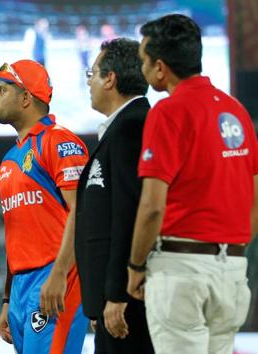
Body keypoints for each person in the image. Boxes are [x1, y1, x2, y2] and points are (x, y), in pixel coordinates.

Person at [127, 14, 258, 354]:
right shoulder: (237, 111)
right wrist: (231, 251)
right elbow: (254, 197)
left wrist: (136, 265)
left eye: (143, 60)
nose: (141, 68)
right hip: (233, 269)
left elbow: (153, 205)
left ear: (160, 67)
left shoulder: (168, 112)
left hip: (180, 269)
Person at [0, 59, 88, 354]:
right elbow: (19, 236)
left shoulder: (60, 142)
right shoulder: (8, 161)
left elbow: (82, 213)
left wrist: (58, 275)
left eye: (1, 89)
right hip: (20, 287)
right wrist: (6, 299)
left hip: (55, 278)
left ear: (26, 98)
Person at [74, 38, 154, 354]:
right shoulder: (120, 127)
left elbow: (129, 211)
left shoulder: (132, 126)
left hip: (125, 303)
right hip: (112, 302)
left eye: (92, 74)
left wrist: (117, 292)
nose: (89, 82)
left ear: (111, 79)